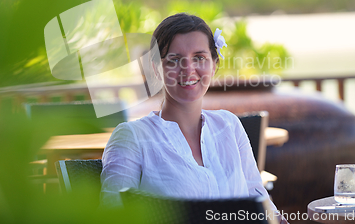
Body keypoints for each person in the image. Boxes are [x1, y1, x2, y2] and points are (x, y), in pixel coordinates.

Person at [100, 13, 286, 222]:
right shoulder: (132, 137)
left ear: (214, 65)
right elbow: (113, 214)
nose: (188, 69)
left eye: (199, 58)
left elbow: (257, 196)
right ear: (155, 69)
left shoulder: (229, 125)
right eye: (175, 60)